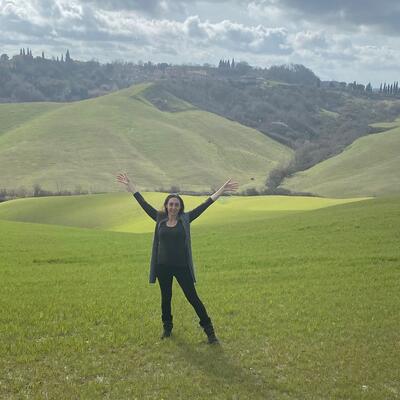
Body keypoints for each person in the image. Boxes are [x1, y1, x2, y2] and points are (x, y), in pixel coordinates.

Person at [116, 173, 239, 344]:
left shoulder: (185, 219)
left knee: (193, 298)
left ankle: (210, 332)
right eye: (171, 204)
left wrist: (222, 190)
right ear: (166, 206)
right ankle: (167, 328)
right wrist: (131, 187)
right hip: (162, 267)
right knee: (166, 298)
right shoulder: (159, 218)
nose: (173, 207)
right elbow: (143, 203)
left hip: (182, 267)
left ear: (180, 207)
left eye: (176, 205)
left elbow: (206, 204)